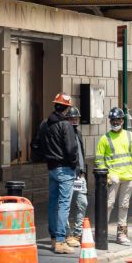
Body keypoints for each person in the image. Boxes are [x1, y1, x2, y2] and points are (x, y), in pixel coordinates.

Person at [32, 92, 79, 254]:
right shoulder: (65, 125)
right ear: (66, 108)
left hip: (51, 168)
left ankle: (54, 238)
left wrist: (46, 158)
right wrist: (74, 165)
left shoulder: (45, 124)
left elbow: (35, 145)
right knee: (64, 205)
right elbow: (71, 149)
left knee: (53, 204)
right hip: (65, 169)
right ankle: (60, 240)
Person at [95, 107, 132, 245]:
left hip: (128, 177)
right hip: (113, 179)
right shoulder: (104, 139)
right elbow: (99, 160)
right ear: (110, 121)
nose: (115, 122)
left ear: (122, 120)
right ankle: (102, 232)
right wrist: (108, 175)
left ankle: (121, 234)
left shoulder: (130, 136)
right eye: (113, 120)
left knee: (124, 206)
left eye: (118, 120)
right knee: (108, 204)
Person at [65, 107, 88, 248]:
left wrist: (83, 170)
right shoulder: (64, 134)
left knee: (82, 202)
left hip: (79, 175)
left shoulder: (78, 133)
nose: (74, 120)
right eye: (72, 118)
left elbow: (81, 153)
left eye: (76, 118)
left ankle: (78, 232)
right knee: (65, 205)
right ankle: (67, 233)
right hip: (68, 173)